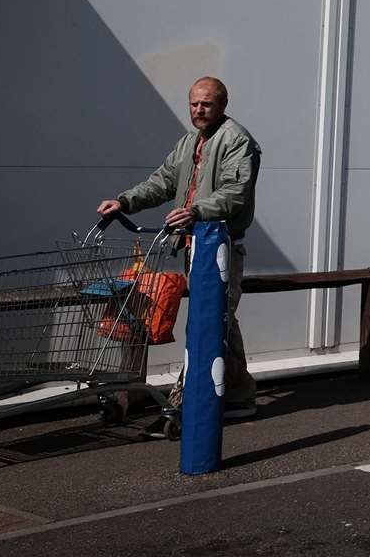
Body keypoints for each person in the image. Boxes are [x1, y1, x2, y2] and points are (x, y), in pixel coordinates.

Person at [95, 77, 260, 421]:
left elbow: (235, 192)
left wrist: (198, 210)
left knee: (215, 320)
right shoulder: (190, 143)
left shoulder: (237, 141)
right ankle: (238, 394)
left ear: (222, 106)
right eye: (194, 104)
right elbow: (163, 181)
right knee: (218, 319)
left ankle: (197, 397)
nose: (199, 110)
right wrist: (124, 202)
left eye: (207, 104)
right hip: (191, 246)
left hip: (221, 247)